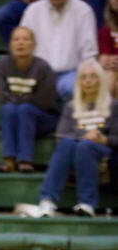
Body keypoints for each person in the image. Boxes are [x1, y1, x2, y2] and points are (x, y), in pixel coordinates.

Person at [36, 58, 118, 217]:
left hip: (103, 151)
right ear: (79, 82)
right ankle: (47, 201)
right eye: (83, 77)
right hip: (75, 149)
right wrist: (85, 136)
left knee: (84, 146)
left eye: (93, 76)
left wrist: (103, 139)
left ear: (100, 80)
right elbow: (61, 135)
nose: (88, 81)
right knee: (68, 143)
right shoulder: (71, 106)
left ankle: (87, 203)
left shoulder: (114, 105)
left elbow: (116, 138)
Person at [20, 0, 98, 100]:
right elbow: (23, 44)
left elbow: (89, 50)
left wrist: (87, 75)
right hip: (40, 72)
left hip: (72, 72)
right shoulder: (33, 10)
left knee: (70, 88)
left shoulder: (83, 11)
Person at [0, 25, 59, 172]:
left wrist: (16, 99)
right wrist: (24, 98)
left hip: (44, 119)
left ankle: (25, 160)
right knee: (7, 109)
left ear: (33, 45)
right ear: (10, 44)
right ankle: (9, 160)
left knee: (24, 109)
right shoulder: (3, 65)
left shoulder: (43, 67)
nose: (21, 43)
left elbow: (43, 102)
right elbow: (3, 97)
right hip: (17, 117)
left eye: (25, 39)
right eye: (16, 39)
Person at [98, 0, 118, 96]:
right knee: (110, 75)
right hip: (113, 72)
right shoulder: (105, 30)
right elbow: (103, 60)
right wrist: (109, 61)